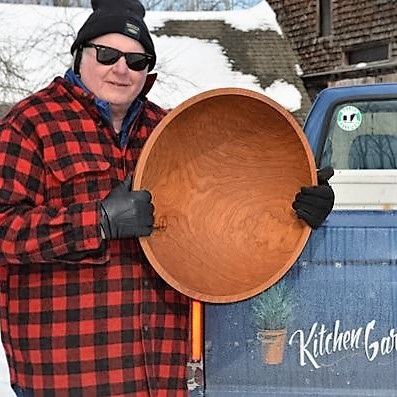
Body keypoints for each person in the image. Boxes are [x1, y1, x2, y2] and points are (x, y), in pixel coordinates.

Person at [0, 0, 334, 396]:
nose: (121, 69)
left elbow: (227, 213)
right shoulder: (29, 125)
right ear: (79, 56)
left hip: (161, 371)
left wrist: (297, 206)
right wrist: (98, 221)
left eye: (137, 61)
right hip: (70, 373)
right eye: (107, 55)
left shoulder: (170, 131)